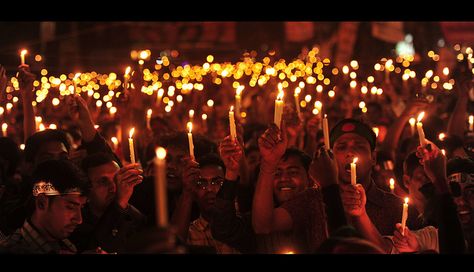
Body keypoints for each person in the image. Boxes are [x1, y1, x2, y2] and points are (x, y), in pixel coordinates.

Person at [0, 159, 89, 254]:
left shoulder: (66, 244)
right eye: (70, 207)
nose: (79, 219)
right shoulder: (10, 250)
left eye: (81, 207)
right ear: (41, 203)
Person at [69, 152, 146, 253]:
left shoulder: (135, 218)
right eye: (103, 181)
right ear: (87, 190)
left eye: (117, 179)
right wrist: (119, 203)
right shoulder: (76, 223)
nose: (113, 187)